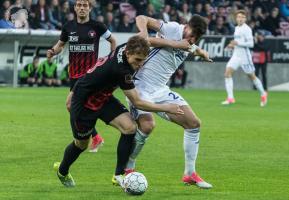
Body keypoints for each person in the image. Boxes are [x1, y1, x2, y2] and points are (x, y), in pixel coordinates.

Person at [53, 35, 185, 187]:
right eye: (138, 60)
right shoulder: (121, 70)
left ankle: (119, 174)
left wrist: (194, 49)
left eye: (143, 60)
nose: (141, 65)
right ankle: (62, 171)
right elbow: (138, 102)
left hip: (103, 98)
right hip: (84, 103)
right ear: (128, 54)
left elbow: (146, 39)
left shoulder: (128, 47)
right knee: (82, 144)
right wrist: (167, 107)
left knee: (130, 128)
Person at [113, 14, 213, 189]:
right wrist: (144, 32)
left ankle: (189, 174)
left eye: (196, 37)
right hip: (140, 87)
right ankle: (128, 168)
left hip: (161, 90)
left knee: (194, 123)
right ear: (186, 25)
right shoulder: (173, 29)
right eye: (191, 34)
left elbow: (193, 48)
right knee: (147, 126)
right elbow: (141, 18)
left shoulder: (190, 42)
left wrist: (202, 52)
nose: (191, 39)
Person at [47, 0, 117, 152]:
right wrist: (52, 51)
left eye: (85, 5)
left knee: (70, 105)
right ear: (75, 8)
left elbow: (113, 40)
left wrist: (110, 59)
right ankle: (95, 136)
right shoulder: (68, 27)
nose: (82, 8)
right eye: (79, 5)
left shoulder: (97, 26)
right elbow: (60, 45)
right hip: (74, 75)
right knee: (79, 106)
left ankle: (93, 136)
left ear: (90, 8)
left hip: (90, 75)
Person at [221, 10, 268, 107]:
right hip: (236, 55)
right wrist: (231, 45)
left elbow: (251, 44)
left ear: (245, 19)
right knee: (227, 73)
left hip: (245, 56)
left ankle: (263, 94)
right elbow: (237, 41)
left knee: (252, 76)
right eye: (239, 17)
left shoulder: (247, 29)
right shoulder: (236, 28)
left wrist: (238, 43)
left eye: (242, 17)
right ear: (236, 18)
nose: (240, 18)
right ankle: (230, 98)